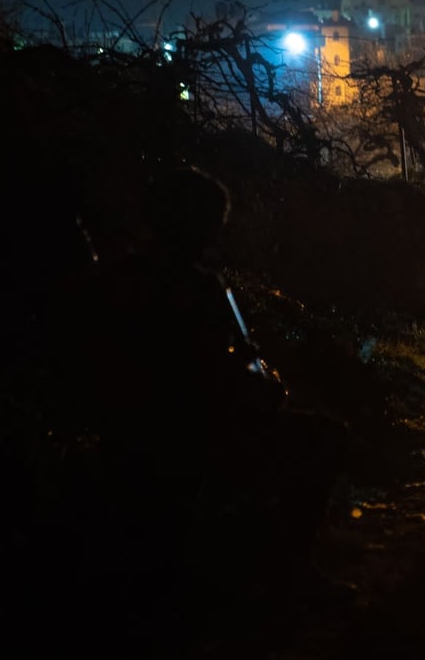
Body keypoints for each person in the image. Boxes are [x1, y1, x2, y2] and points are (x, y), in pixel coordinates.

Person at [62, 167, 350, 626]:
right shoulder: (200, 288)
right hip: (197, 435)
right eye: (213, 220)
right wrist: (266, 390)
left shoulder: (119, 279)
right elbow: (234, 372)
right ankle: (285, 571)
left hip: (126, 436)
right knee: (323, 439)